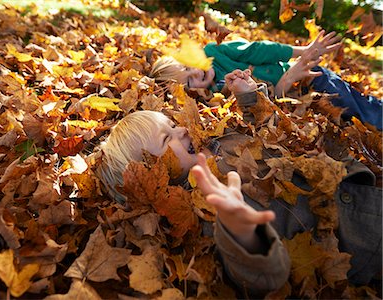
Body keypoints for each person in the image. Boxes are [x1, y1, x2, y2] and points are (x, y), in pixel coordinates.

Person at [97, 69, 382, 295]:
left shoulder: (215, 144)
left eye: (172, 125)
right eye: (166, 138)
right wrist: (243, 232)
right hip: (362, 236)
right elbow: (265, 276)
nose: (182, 129)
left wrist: (249, 98)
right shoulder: (208, 210)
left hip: (356, 181)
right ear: (152, 178)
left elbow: (266, 135)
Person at [149, 30, 383, 130]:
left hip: (302, 74)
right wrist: (286, 82)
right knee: (345, 117)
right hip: (291, 94)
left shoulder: (215, 52)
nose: (196, 74)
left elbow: (260, 50)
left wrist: (303, 52)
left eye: (190, 67)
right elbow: (266, 102)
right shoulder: (217, 95)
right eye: (189, 82)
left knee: (352, 102)